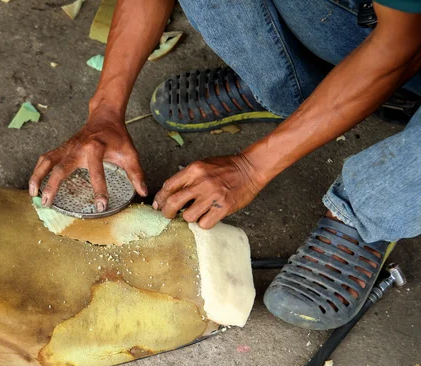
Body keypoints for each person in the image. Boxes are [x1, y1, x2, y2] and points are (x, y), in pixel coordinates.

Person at [29, 0, 421, 330]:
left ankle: (371, 208)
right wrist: (106, 112)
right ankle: (292, 87)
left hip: (406, 37)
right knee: (285, 74)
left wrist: (252, 167)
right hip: (362, 17)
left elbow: (403, 45)